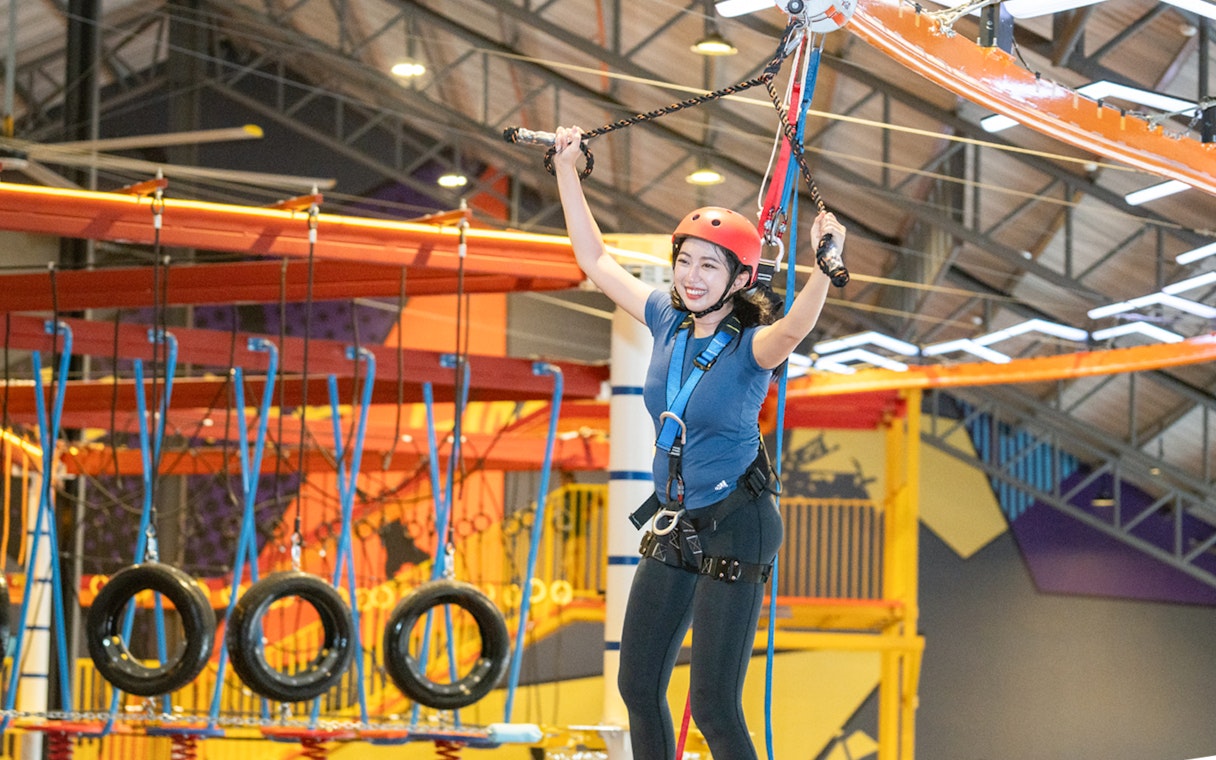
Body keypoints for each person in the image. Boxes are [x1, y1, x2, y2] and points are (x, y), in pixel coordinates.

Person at [551, 125, 846, 760]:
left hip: (739, 522)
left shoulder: (752, 346)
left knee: (712, 705)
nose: (691, 275)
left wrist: (822, 264)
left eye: (709, 265)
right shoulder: (664, 317)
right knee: (637, 685)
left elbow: (795, 327)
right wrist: (567, 171)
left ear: (740, 278)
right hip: (678, 520)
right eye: (684, 260)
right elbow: (596, 260)